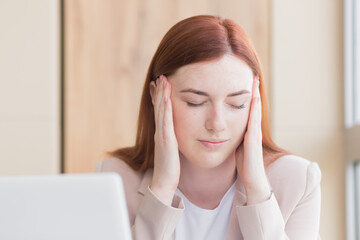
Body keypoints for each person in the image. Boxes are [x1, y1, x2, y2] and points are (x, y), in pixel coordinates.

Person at [96, 15, 321, 240]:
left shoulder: (297, 181)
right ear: (157, 95)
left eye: (236, 104)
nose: (216, 124)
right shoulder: (114, 179)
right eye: (196, 102)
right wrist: (162, 188)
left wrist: (257, 190)